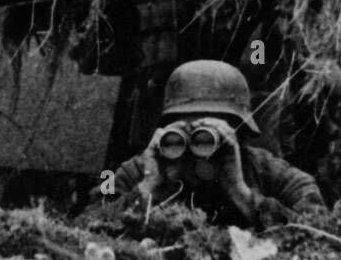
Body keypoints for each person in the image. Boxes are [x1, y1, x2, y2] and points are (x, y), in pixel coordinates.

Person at [105, 60, 324, 228]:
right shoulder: (141, 170)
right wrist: (146, 191)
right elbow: (81, 226)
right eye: (185, 132)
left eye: (212, 136)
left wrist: (243, 195)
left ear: (241, 135)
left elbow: (323, 230)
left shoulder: (273, 174)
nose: (199, 147)